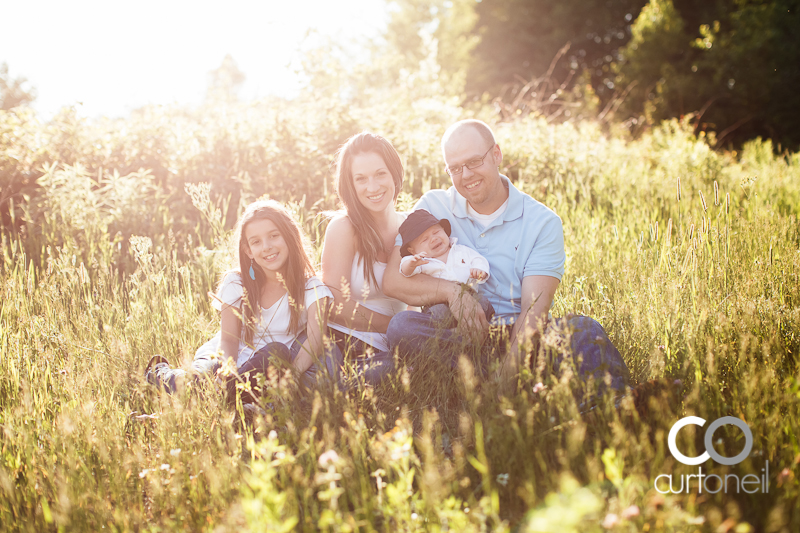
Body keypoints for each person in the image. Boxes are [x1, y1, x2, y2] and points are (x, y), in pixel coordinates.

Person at [382, 119, 628, 396]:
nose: (466, 175)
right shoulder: (431, 206)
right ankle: (489, 386)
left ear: (496, 154)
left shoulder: (542, 222)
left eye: (474, 161)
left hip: (520, 338)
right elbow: (393, 281)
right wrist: (454, 292)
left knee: (582, 329)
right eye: (455, 168)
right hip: (456, 336)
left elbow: (533, 310)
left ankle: (617, 408)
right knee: (402, 326)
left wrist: (508, 373)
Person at [145, 200, 338, 402]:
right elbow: (228, 339)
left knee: (276, 351)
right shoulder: (237, 283)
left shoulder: (311, 288)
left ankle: (220, 397)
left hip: (266, 366)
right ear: (248, 251)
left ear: (289, 237)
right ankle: (159, 373)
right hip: (226, 358)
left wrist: (293, 375)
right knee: (194, 380)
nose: (266, 247)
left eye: (274, 236)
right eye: (256, 242)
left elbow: (316, 339)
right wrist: (228, 369)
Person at [321, 132, 408, 385]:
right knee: (331, 383)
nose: (373, 187)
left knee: (402, 371)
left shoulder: (411, 226)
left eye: (380, 174)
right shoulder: (344, 228)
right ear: (350, 184)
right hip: (341, 341)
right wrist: (398, 326)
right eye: (361, 179)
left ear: (394, 173)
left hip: (390, 350)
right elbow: (336, 304)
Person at [397, 209, 494, 327]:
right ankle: (451, 335)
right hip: (438, 302)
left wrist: (479, 269)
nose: (433, 239)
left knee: (484, 303)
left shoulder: (461, 250)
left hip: (469, 296)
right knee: (438, 314)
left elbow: (478, 259)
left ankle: (482, 331)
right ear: (413, 251)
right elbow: (405, 271)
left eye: (436, 232)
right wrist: (411, 264)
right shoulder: (421, 262)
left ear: (444, 231)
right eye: (425, 239)